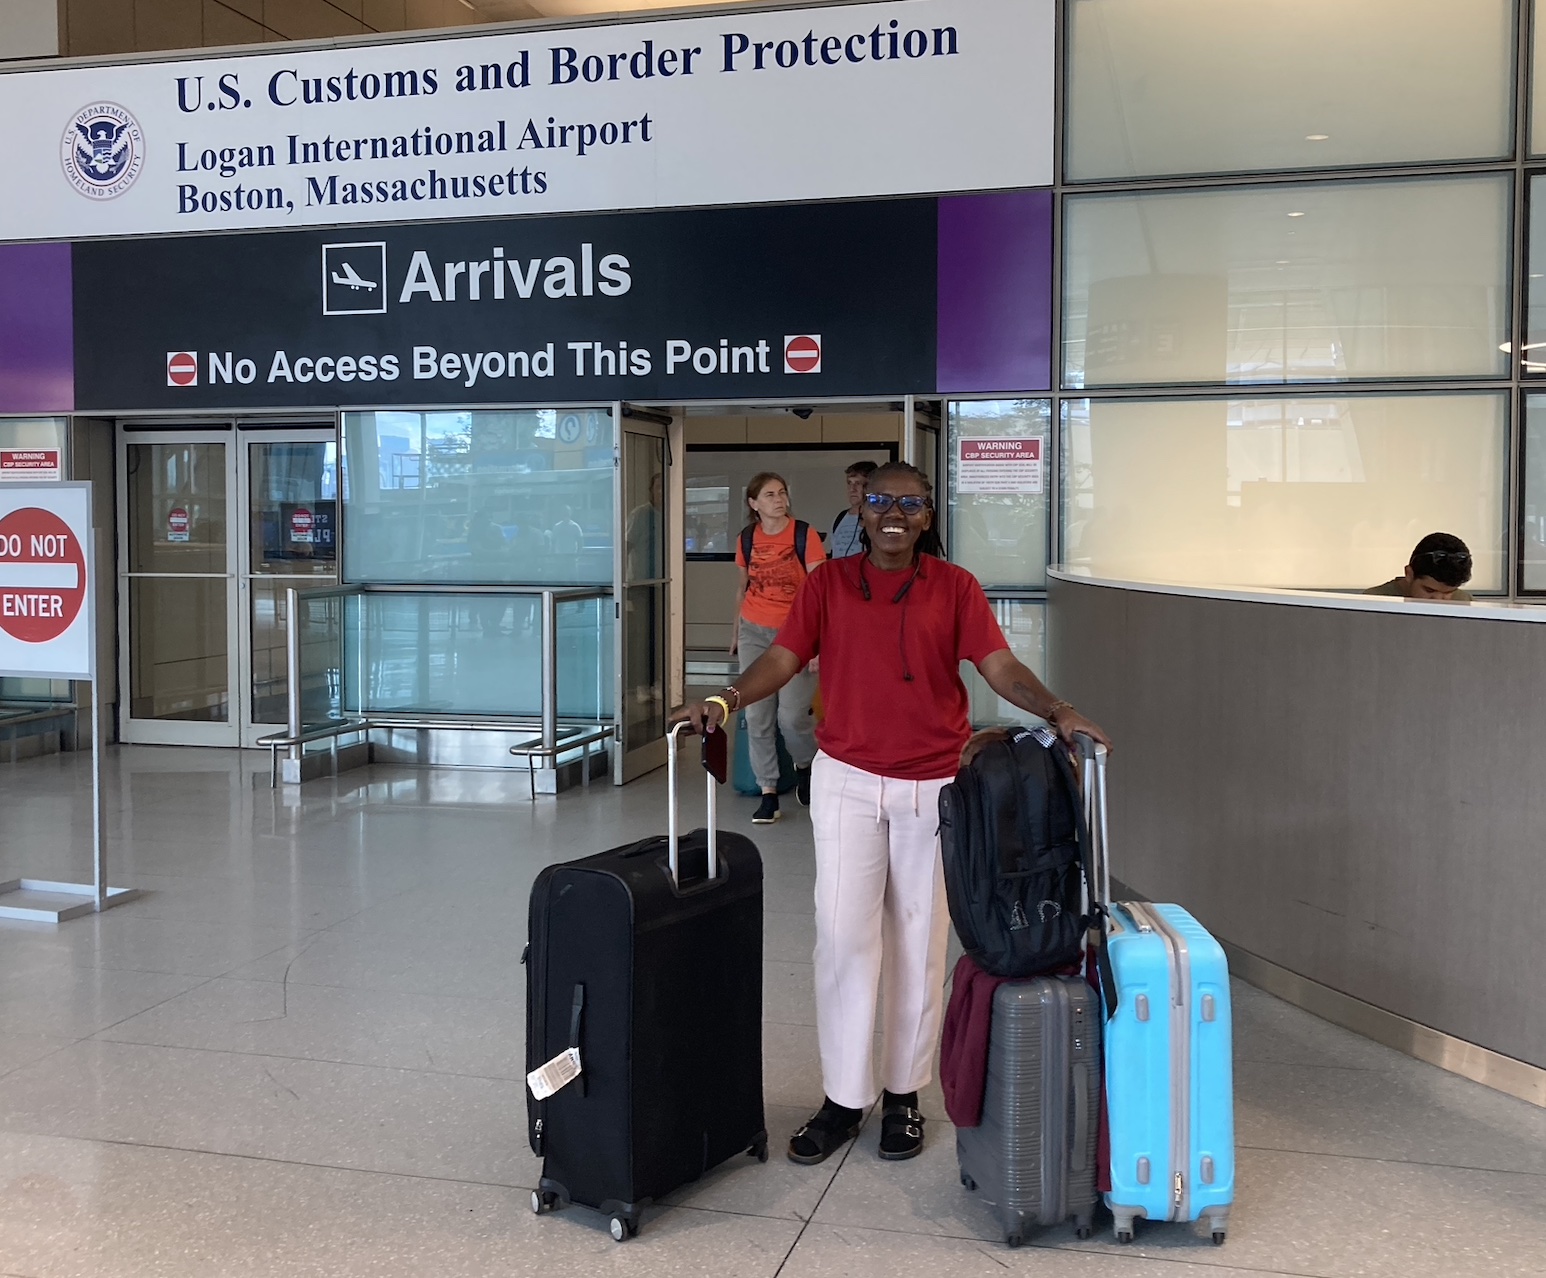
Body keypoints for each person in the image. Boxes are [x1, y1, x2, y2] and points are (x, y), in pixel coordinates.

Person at [674, 462, 1111, 1165]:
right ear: (862, 509)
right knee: (842, 939)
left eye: (910, 504)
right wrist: (724, 699)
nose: (894, 514)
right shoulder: (829, 585)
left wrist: (1057, 711)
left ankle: (904, 1094)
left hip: (932, 791)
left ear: (928, 516)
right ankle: (845, 1098)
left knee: (919, 942)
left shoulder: (956, 587)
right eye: (880, 501)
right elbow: (785, 658)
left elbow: (998, 665)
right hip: (846, 782)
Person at [732, 472, 826, 823]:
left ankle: (805, 765)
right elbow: (743, 587)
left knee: (791, 718)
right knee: (756, 716)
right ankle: (768, 791)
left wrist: (818, 645)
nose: (779, 499)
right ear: (754, 504)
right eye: (770, 494)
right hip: (754, 631)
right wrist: (735, 631)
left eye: (782, 493)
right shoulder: (746, 539)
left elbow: (821, 593)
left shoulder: (805, 536)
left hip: (796, 634)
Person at [1365, 532, 1474, 602]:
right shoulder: (1372, 602)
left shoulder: (1466, 602)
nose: (1438, 600)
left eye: (1448, 593)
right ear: (1409, 574)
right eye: (1429, 590)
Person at [828, 459, 877, 559]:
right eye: (849, 483)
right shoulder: (840, 518)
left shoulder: (878, 517)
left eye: (858, 483)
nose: (852, 489)